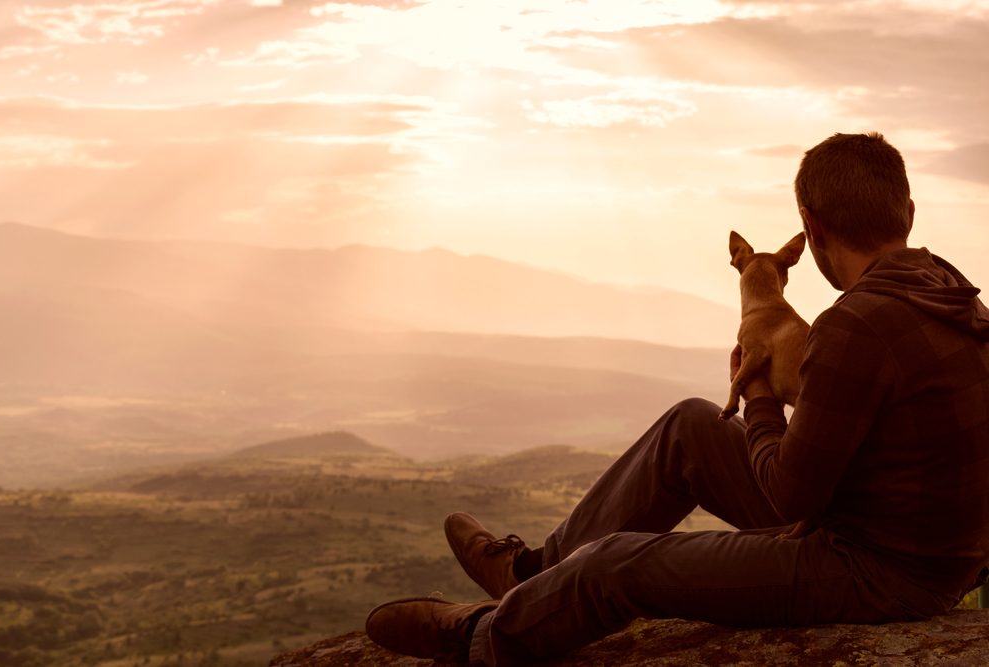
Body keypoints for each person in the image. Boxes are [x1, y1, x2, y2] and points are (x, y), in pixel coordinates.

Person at [364, 132, 989, 665]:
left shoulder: (860, 322)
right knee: (691, 425)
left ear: (813, 228)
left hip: (879, 572)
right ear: (907, 211)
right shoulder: (953, 297)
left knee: (616, 565)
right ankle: (529, 576)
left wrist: (761, 393)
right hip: (893, 536)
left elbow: (789, 495)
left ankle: (486, 638)